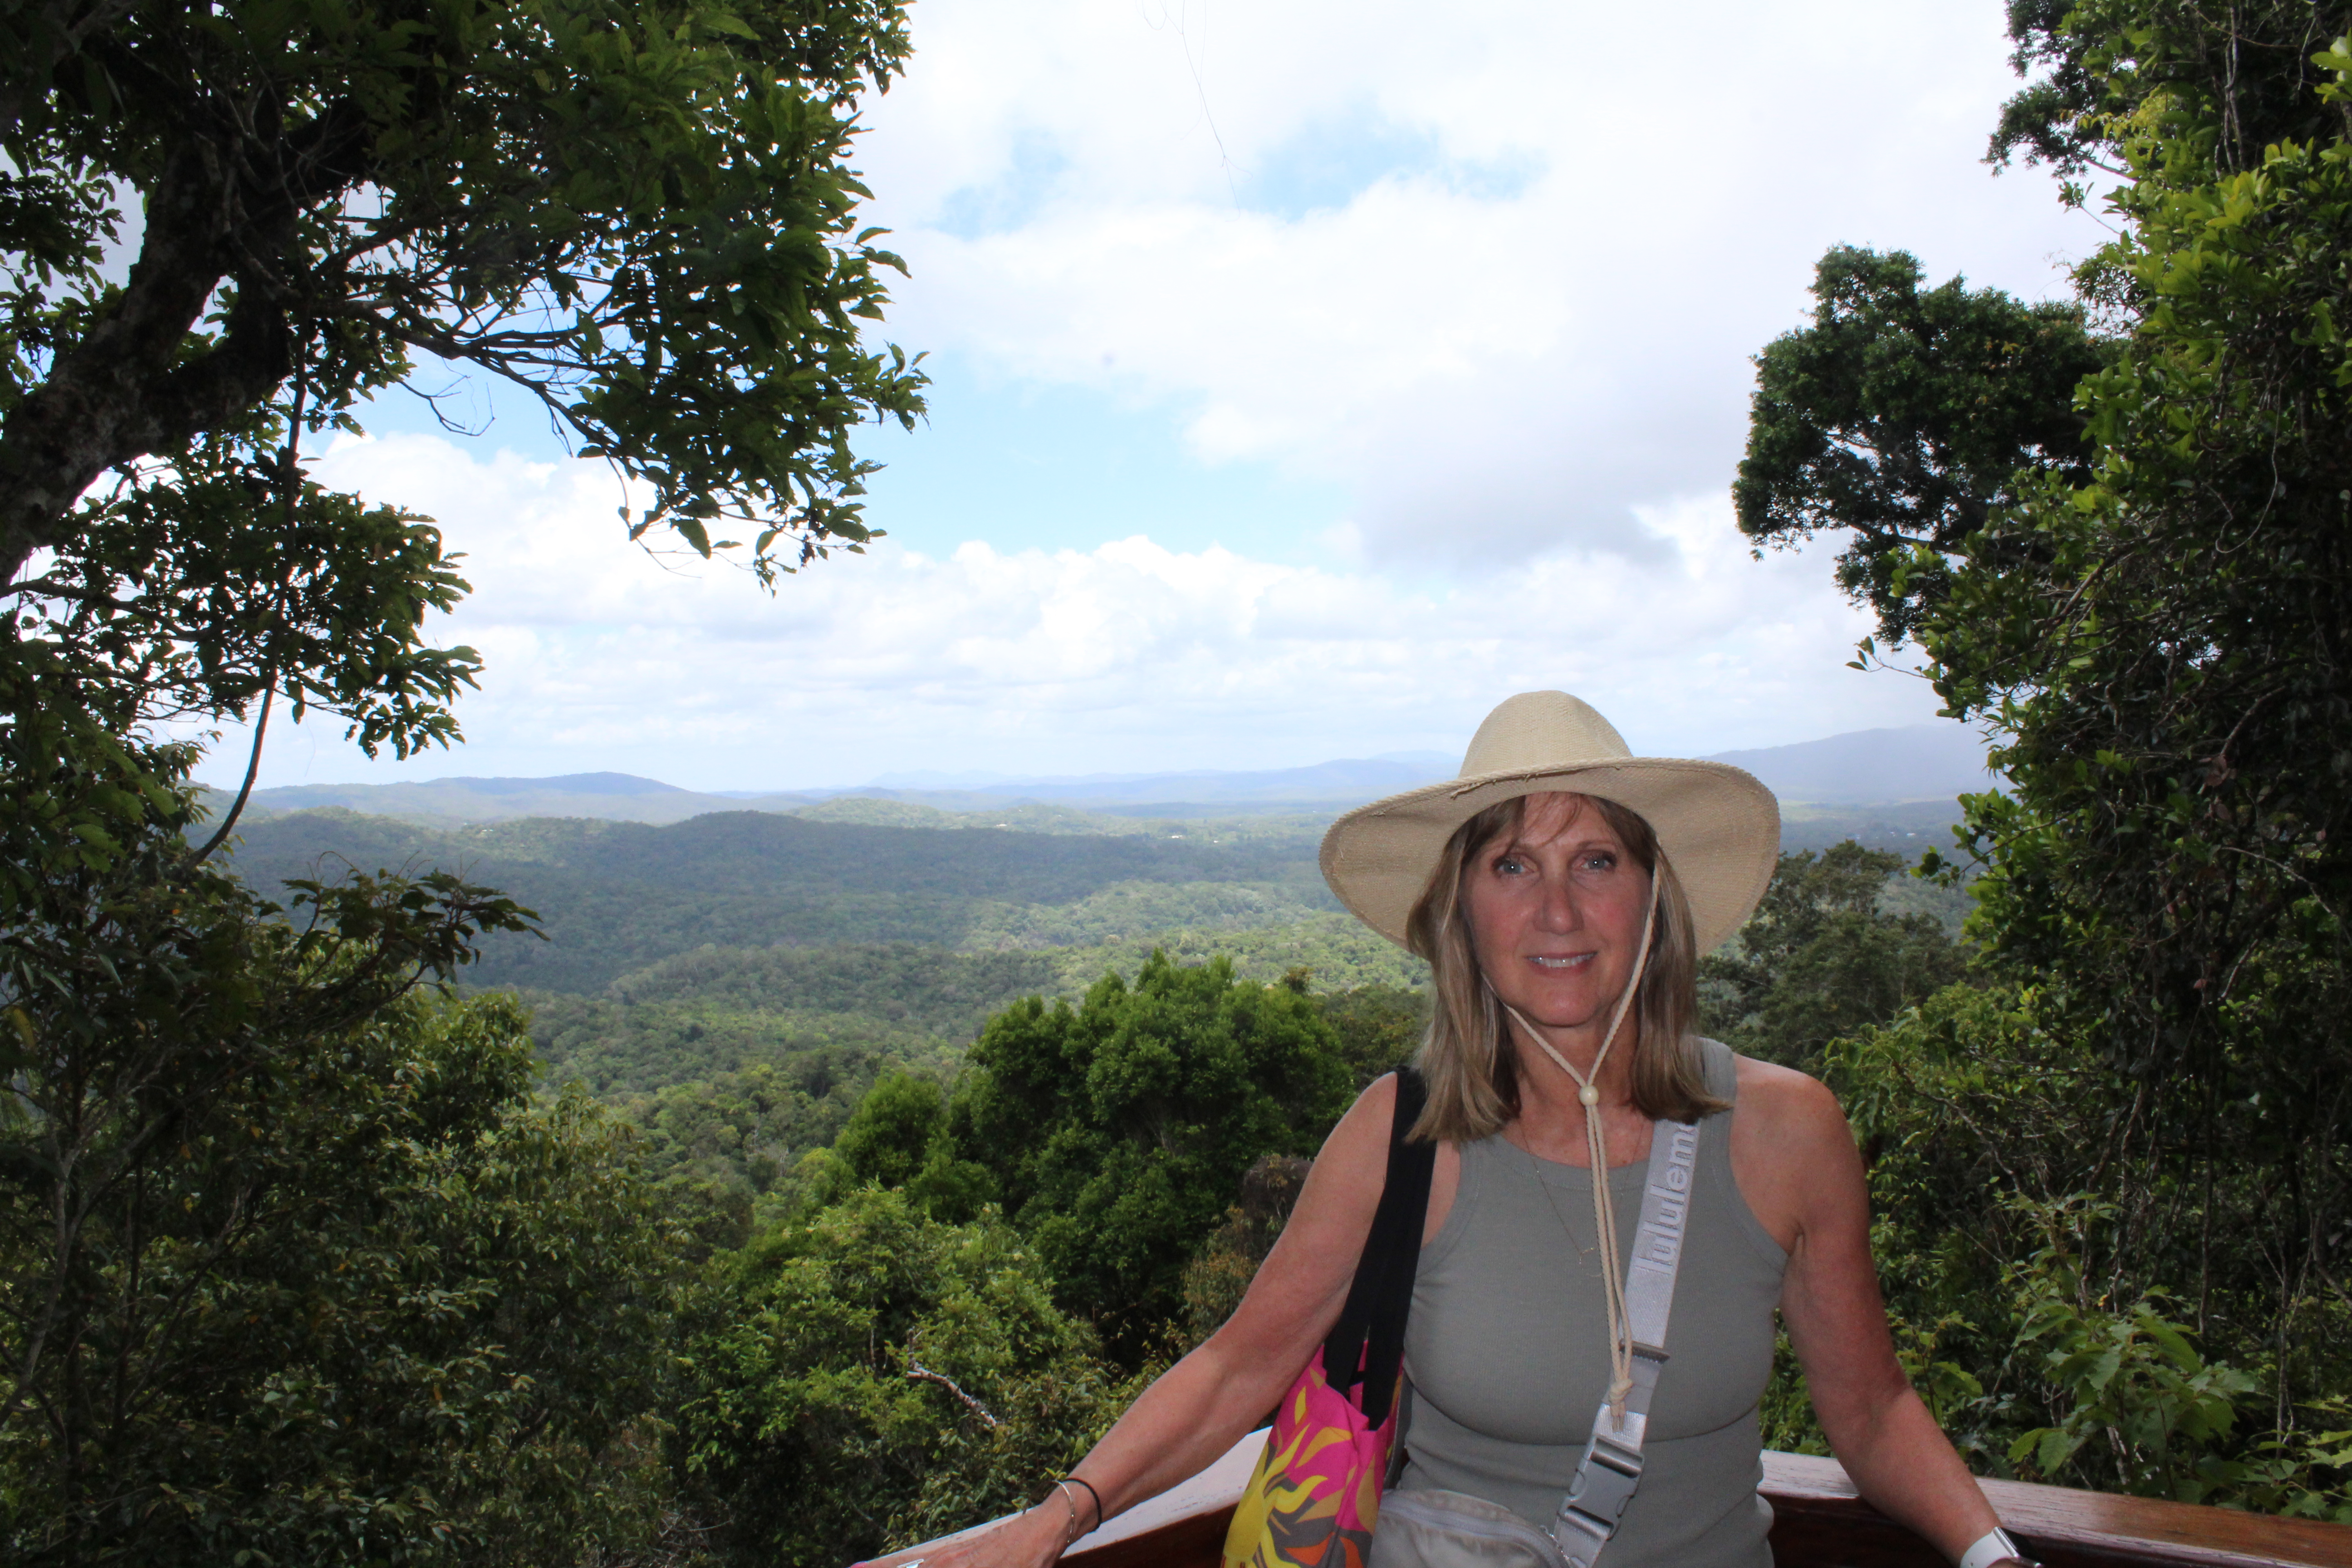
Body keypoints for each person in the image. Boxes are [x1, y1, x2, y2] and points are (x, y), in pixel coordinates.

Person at [913, 691, 2030, 1568]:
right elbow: (1235, 1367)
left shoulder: (1786, 1133)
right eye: (1512, 866)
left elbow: (1872, 1409)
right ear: (1464, 914)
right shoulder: (1400, 1141)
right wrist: (1055, 1520)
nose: (1556, 910)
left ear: (1654, 896)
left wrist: (1988, 1552)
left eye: (1596, 860)